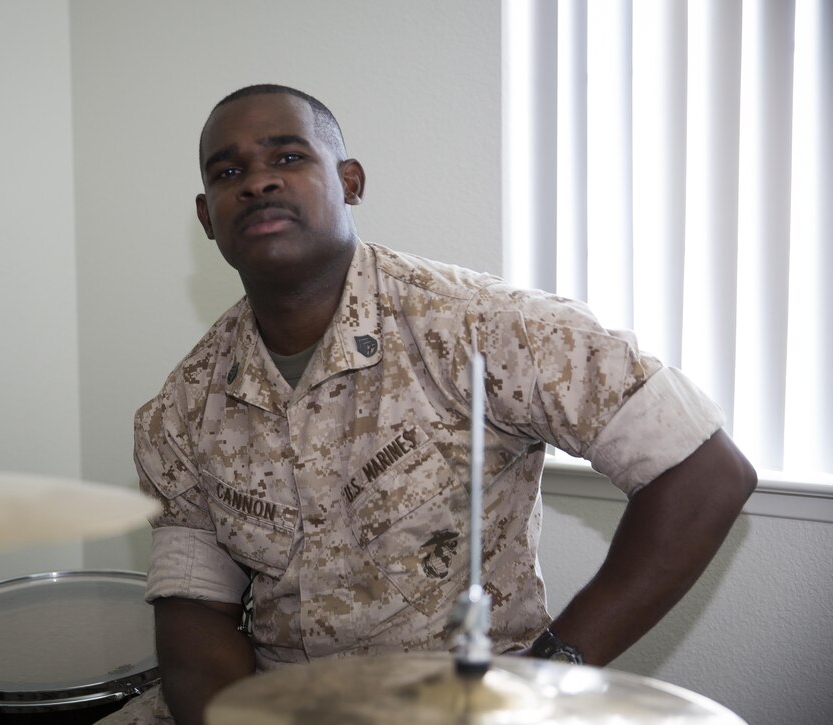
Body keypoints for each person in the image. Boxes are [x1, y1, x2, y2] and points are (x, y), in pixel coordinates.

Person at [103, 84, 756, 725]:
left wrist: (554, 670)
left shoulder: (482, 328)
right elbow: (194, 609)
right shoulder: (182, 410)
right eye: (229, 171)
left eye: (289, 157)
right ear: (206, 215)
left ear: (351, 181)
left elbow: (706, 475)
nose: (256, 182)